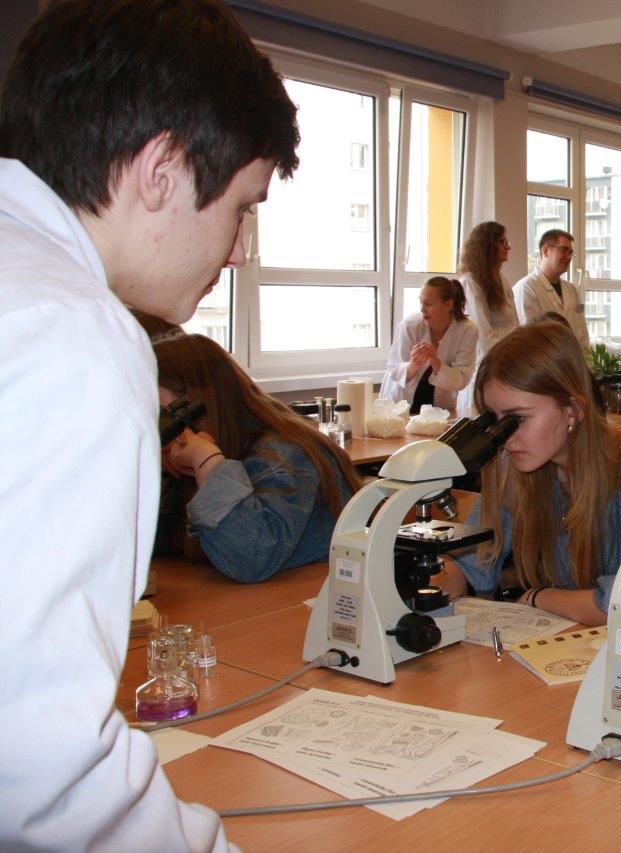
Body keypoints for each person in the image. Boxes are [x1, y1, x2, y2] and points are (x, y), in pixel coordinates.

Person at [0, 0, 298, 847]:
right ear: (162, 170)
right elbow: (38, 773)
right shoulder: (70, 332)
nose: (238, 250)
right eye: (243, 207)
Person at [435, 321, 621, 626]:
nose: (505, 436)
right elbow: (471, 564)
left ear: (572, 410)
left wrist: (539, 597)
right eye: (496, 420)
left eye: (517, 419)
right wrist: (426, 582)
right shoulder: (515, 462)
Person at [154, 332, 362, 583]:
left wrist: (207, 462)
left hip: (307, 599)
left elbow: (251, 558)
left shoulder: (283, 457)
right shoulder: (218, 446)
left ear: (190, 403)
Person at [380, 276, 479, 415]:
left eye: (429, 304)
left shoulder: (467, 331)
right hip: (399, 404)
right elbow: (393, 369)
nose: (422, 309)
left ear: (448, 305)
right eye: (421, 302)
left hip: (440, 407)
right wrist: (413, 365)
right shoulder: (410, 326)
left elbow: (461, 380)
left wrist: (436, 363)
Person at [456, 221, 517, 417]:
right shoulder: (470, 283)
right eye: (502, 242)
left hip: (505, 366)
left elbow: (515, 326)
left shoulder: (500, 279)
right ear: (487, 245)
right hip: (485, 369)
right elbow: (482, 336)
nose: (508, 247)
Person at [514, 228, 590, 350]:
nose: (569, 257)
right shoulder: (526, 288)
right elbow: (530, 338)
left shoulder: (571, 290)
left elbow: (582, 333)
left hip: (573, 358)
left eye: (571, 253)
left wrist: (586, 359)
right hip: (544, 360)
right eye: (564, 250)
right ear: (545, 251)